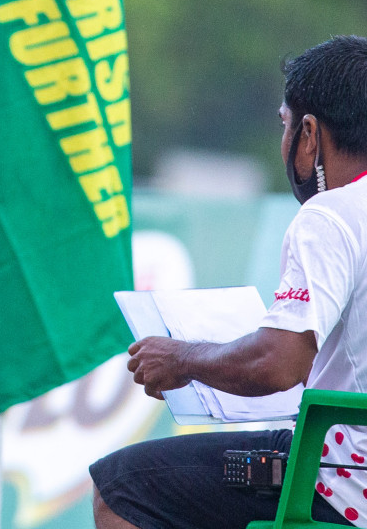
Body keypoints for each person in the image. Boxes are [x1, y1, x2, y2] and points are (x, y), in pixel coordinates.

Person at [91, 35, 367, 529]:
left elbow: (276, 364)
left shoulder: (333, 215)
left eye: (285, 127)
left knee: (121, 489)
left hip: (344, 482)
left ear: (309, 134)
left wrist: (181, 358)